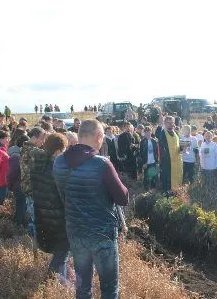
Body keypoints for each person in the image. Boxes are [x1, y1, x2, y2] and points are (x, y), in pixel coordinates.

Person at [53, 119, 129, 299]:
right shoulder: (102, 164)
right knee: (109, 289)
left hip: (76, 231)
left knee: (83, 287)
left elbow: (63, 195)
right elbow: (122, 198)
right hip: (102, 234)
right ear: (98, 137)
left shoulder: (58, 163)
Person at [31, 133, 70, 283]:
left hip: (43, 215)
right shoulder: (56, 169)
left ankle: (62, 283)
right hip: (58, 217)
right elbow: (62, 195)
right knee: (62, 253)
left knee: (59, 253)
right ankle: (51, 283)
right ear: (57, 151)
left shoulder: (38, 165)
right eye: (64, 149)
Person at [20, 127, 47, 236]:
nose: (43, 141)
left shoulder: (24, 147)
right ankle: (36, 242)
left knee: (31, 215)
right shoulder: (35, 151)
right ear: (34, 138)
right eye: (42, 139)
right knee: (36, 217)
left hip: (26, 186)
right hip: (33, 188)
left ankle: (30, 238)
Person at [156, 116, 183, 195]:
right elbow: (158, 137)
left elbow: (178, 146)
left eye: (172, 123)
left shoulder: (176, 133)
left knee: (177, 178)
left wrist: (182, 147)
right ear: (165, 123)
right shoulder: (162, 133)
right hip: (167, 162)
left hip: (177, 161)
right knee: (167, 179)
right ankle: (167, 197)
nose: (171, 124)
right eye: (169, 123)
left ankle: (176, 194)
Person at [7, 134, 29, 226]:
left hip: (19, 185)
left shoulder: (16, 154)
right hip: (19, 186)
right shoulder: (16, 157)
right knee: (21, 206)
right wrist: (10, 186)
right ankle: (18, 226)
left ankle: (19, 224)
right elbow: (11, 174)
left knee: (21, 206)